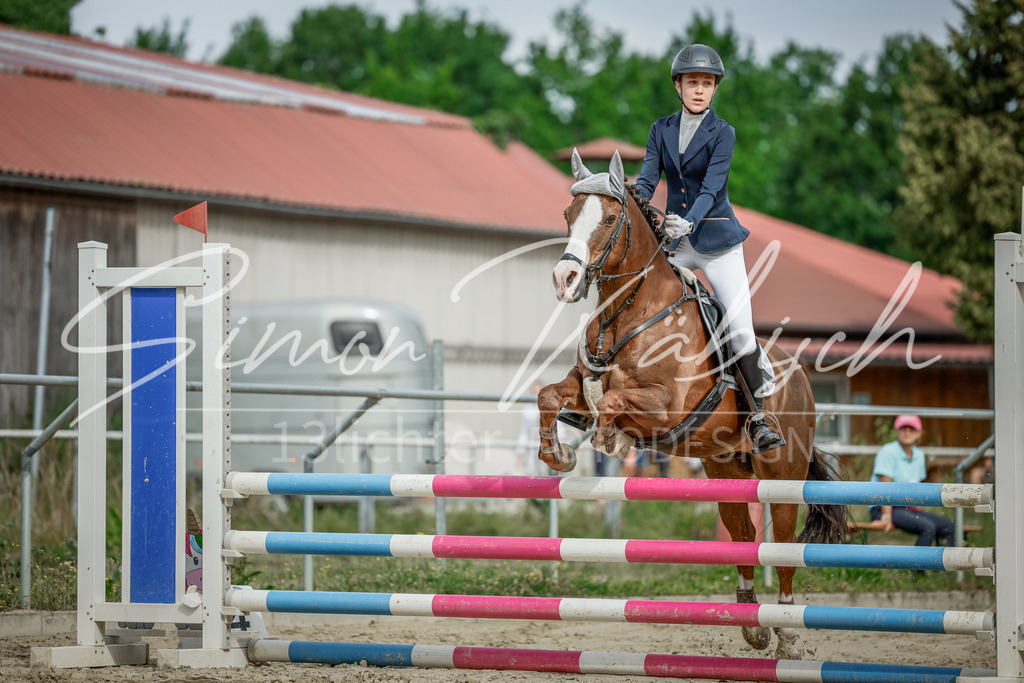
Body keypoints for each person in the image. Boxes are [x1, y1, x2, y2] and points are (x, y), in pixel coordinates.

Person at [634, 43, 783, 455]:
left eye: (706, 83)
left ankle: (758, 418)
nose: (699, 89)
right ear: (678, 86)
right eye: (692, 82)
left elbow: (712, 187)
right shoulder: (660, 129)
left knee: (739, 328)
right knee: (639, 300)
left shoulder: (724, 133)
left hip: (717, 243)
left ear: (714, 88)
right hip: (677, 243)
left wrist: (690, 221)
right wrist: (635, 199)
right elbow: (648, 179)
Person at [869, 414, 955, 546]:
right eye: (903, 428)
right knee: (928, 527)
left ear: (920, 433)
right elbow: (885, 488)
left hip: (906, 508)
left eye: (912, 428)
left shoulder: (919, 455)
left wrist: (917, 510)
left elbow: (916, 486)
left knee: (949, 526)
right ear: (896, 431)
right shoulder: (888, 452)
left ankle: (944, 565)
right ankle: (918, 566)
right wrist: (886, 517)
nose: (907, 431)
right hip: (884, 507)